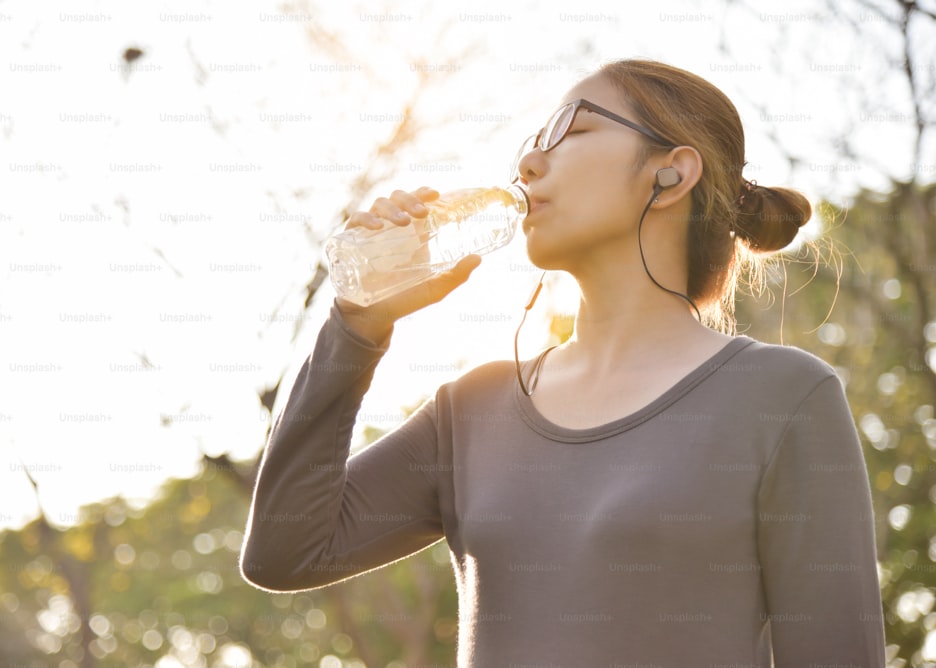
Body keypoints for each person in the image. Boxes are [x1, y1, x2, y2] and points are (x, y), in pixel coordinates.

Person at [240, 59, 886, 666]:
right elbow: (284, 552)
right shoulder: (472, 408)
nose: (528, 161)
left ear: (671, 173)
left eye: (570, 130)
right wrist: (357, 323)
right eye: (532, 140)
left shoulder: (781, 397)